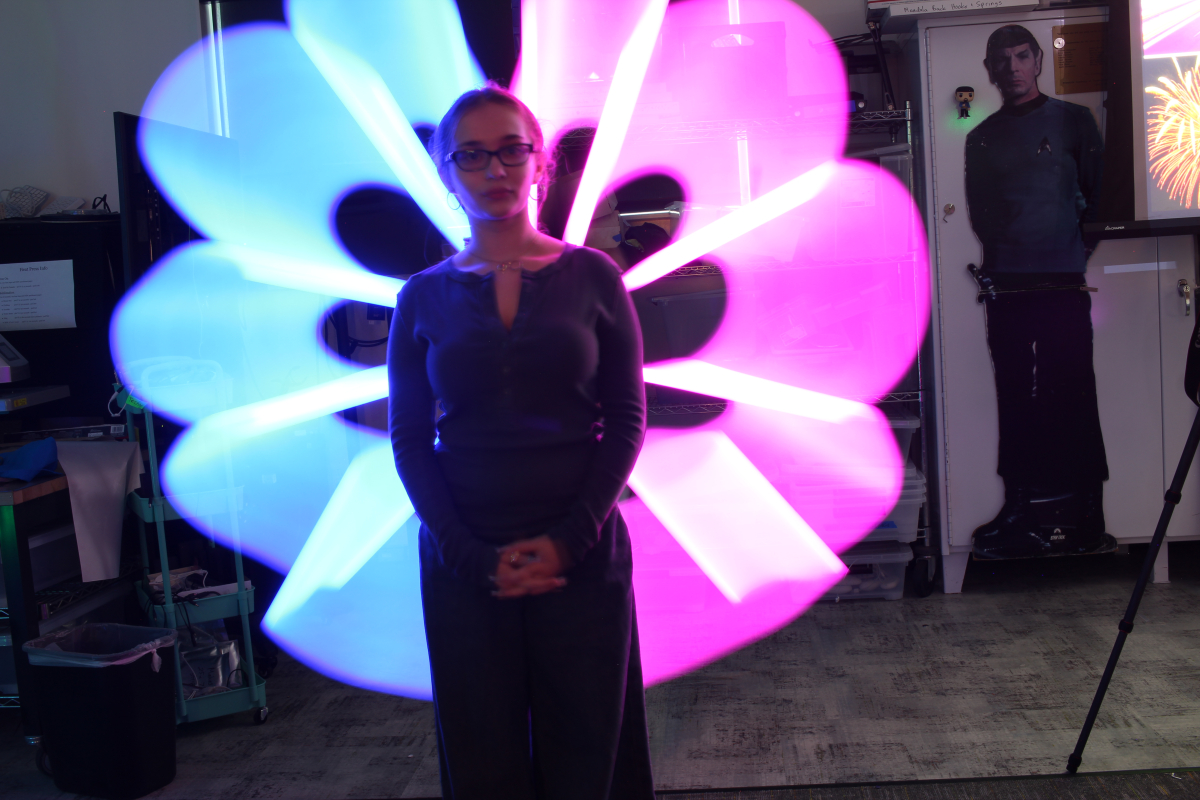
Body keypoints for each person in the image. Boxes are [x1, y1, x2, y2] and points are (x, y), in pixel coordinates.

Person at [387, 83, 656, 799]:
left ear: (540, 165)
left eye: (512, 150)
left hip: (584, 547)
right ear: (446, 173)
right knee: (482, 759)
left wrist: (570, 538)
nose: (495, 169)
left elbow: (627, 416)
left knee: (588, 750)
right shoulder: (420, 297)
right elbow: (410, 438)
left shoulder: (596, 276)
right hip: (462, 555)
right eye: (472, 156)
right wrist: (465, 550)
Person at [964, 25, 1115, 559]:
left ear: (1037, 61)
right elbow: (982, 216)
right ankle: (1019, 508)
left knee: (1073, 397)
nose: (1012, 67)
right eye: (1001, 60)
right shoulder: (980, 136)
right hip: (1008, 290)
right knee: (1016, 400)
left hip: (1064, 287)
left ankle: (1088, 514)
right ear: (990, 70)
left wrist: (1069, 259)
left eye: (1021, 56)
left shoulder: (1075, 121)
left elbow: (1099, 203)